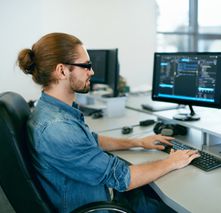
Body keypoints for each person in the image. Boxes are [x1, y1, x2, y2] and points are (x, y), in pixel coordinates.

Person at [17, 32, 200, 213]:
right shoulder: (57, 127)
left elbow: (90, 140)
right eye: (86, 66)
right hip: (98, 207)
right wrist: (171, 162)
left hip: (101, 193)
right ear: (62, 71)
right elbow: (122, 178)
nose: (92, 72)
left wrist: (137, 142)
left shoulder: (53, 108)